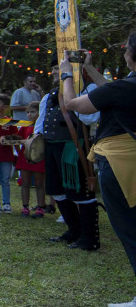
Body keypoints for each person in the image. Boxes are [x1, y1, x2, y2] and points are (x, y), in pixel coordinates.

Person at [62, 36, 136, 307]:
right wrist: (90, 70)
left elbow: (72, 104)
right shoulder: (125, 87)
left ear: (131, 56)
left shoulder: (124, 87)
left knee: (130, 229)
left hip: (120, 164)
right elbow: (113, 92)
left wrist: (67, 74)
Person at [37, 58, 100, 249]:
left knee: (81, 191)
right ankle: (75, 230)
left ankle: (90, 238)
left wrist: (73, 94)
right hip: (51, 146)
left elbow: (90, 118)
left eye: (59, 68)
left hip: (75, 147)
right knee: (56, 190)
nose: (56, 72)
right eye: (55, 69)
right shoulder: (50, 95)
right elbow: (41, 122)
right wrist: (34, 140)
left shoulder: (88, 89)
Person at [12, 101, 46, 218]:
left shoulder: (43, 125)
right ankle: (25, 207)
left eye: (33, 112)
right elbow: (18, 137)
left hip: (38, 157)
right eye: (28, 112)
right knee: (25, 183)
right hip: (25, 156)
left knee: (39, 184)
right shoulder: (26, 125)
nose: (30, 114)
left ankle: (41, 207)